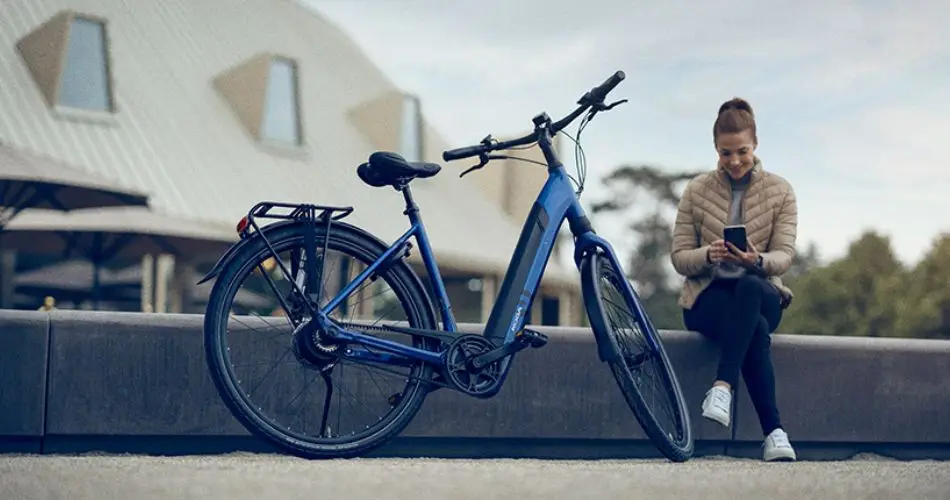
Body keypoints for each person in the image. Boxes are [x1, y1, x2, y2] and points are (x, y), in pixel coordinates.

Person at [670, 97, 798, 462]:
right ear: (716, 150)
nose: (735, 161)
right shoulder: (697, 190)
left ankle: (722, 386)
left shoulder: (781, 191)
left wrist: (754, 259)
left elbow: (784, 255)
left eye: (742, 151)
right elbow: (679, 257)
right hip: (708, 297)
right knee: (754, 328)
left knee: (750, 288)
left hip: (761, 289)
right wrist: (708, 256)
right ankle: (775, 433)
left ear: (755, 145)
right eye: (726, 153)